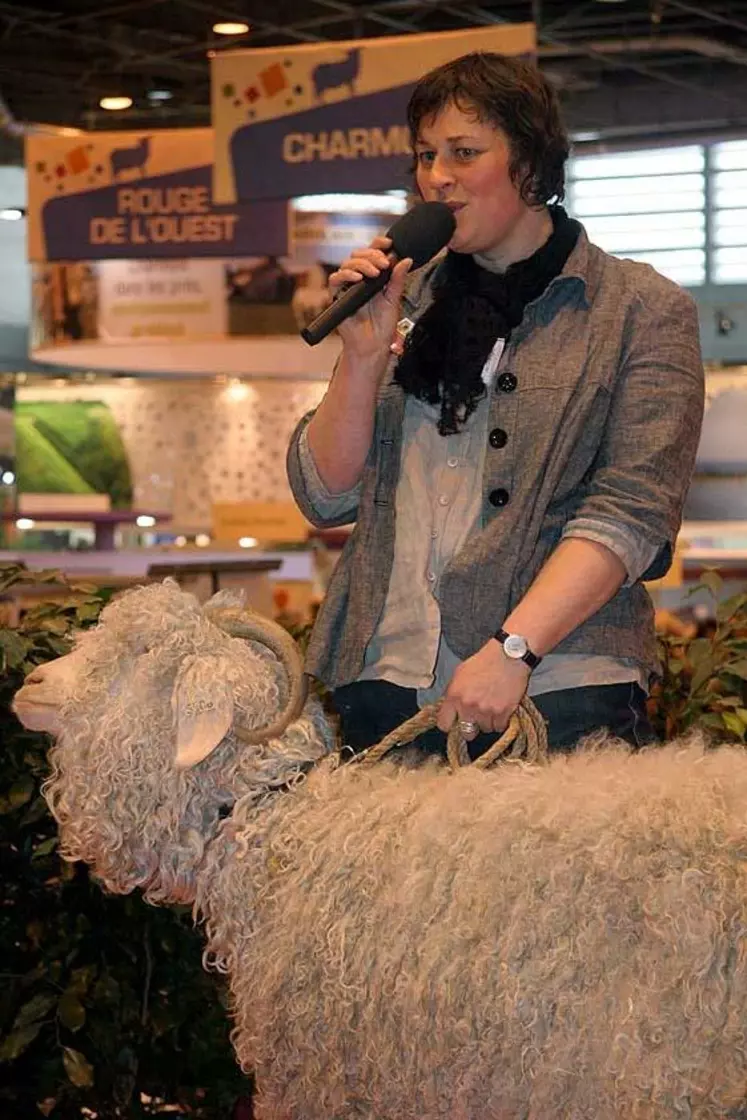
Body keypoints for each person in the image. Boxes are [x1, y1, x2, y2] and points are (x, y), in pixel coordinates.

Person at [286, 51, 705, 759]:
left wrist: (514, 648)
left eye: (463, 151)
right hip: (385, 681)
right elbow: (324, 494)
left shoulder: (638, 309)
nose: (436, 176)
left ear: (530, 166)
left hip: (557, 686)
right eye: (425, 155)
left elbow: (631, 510)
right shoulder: (404, 299)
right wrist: (360, 359)